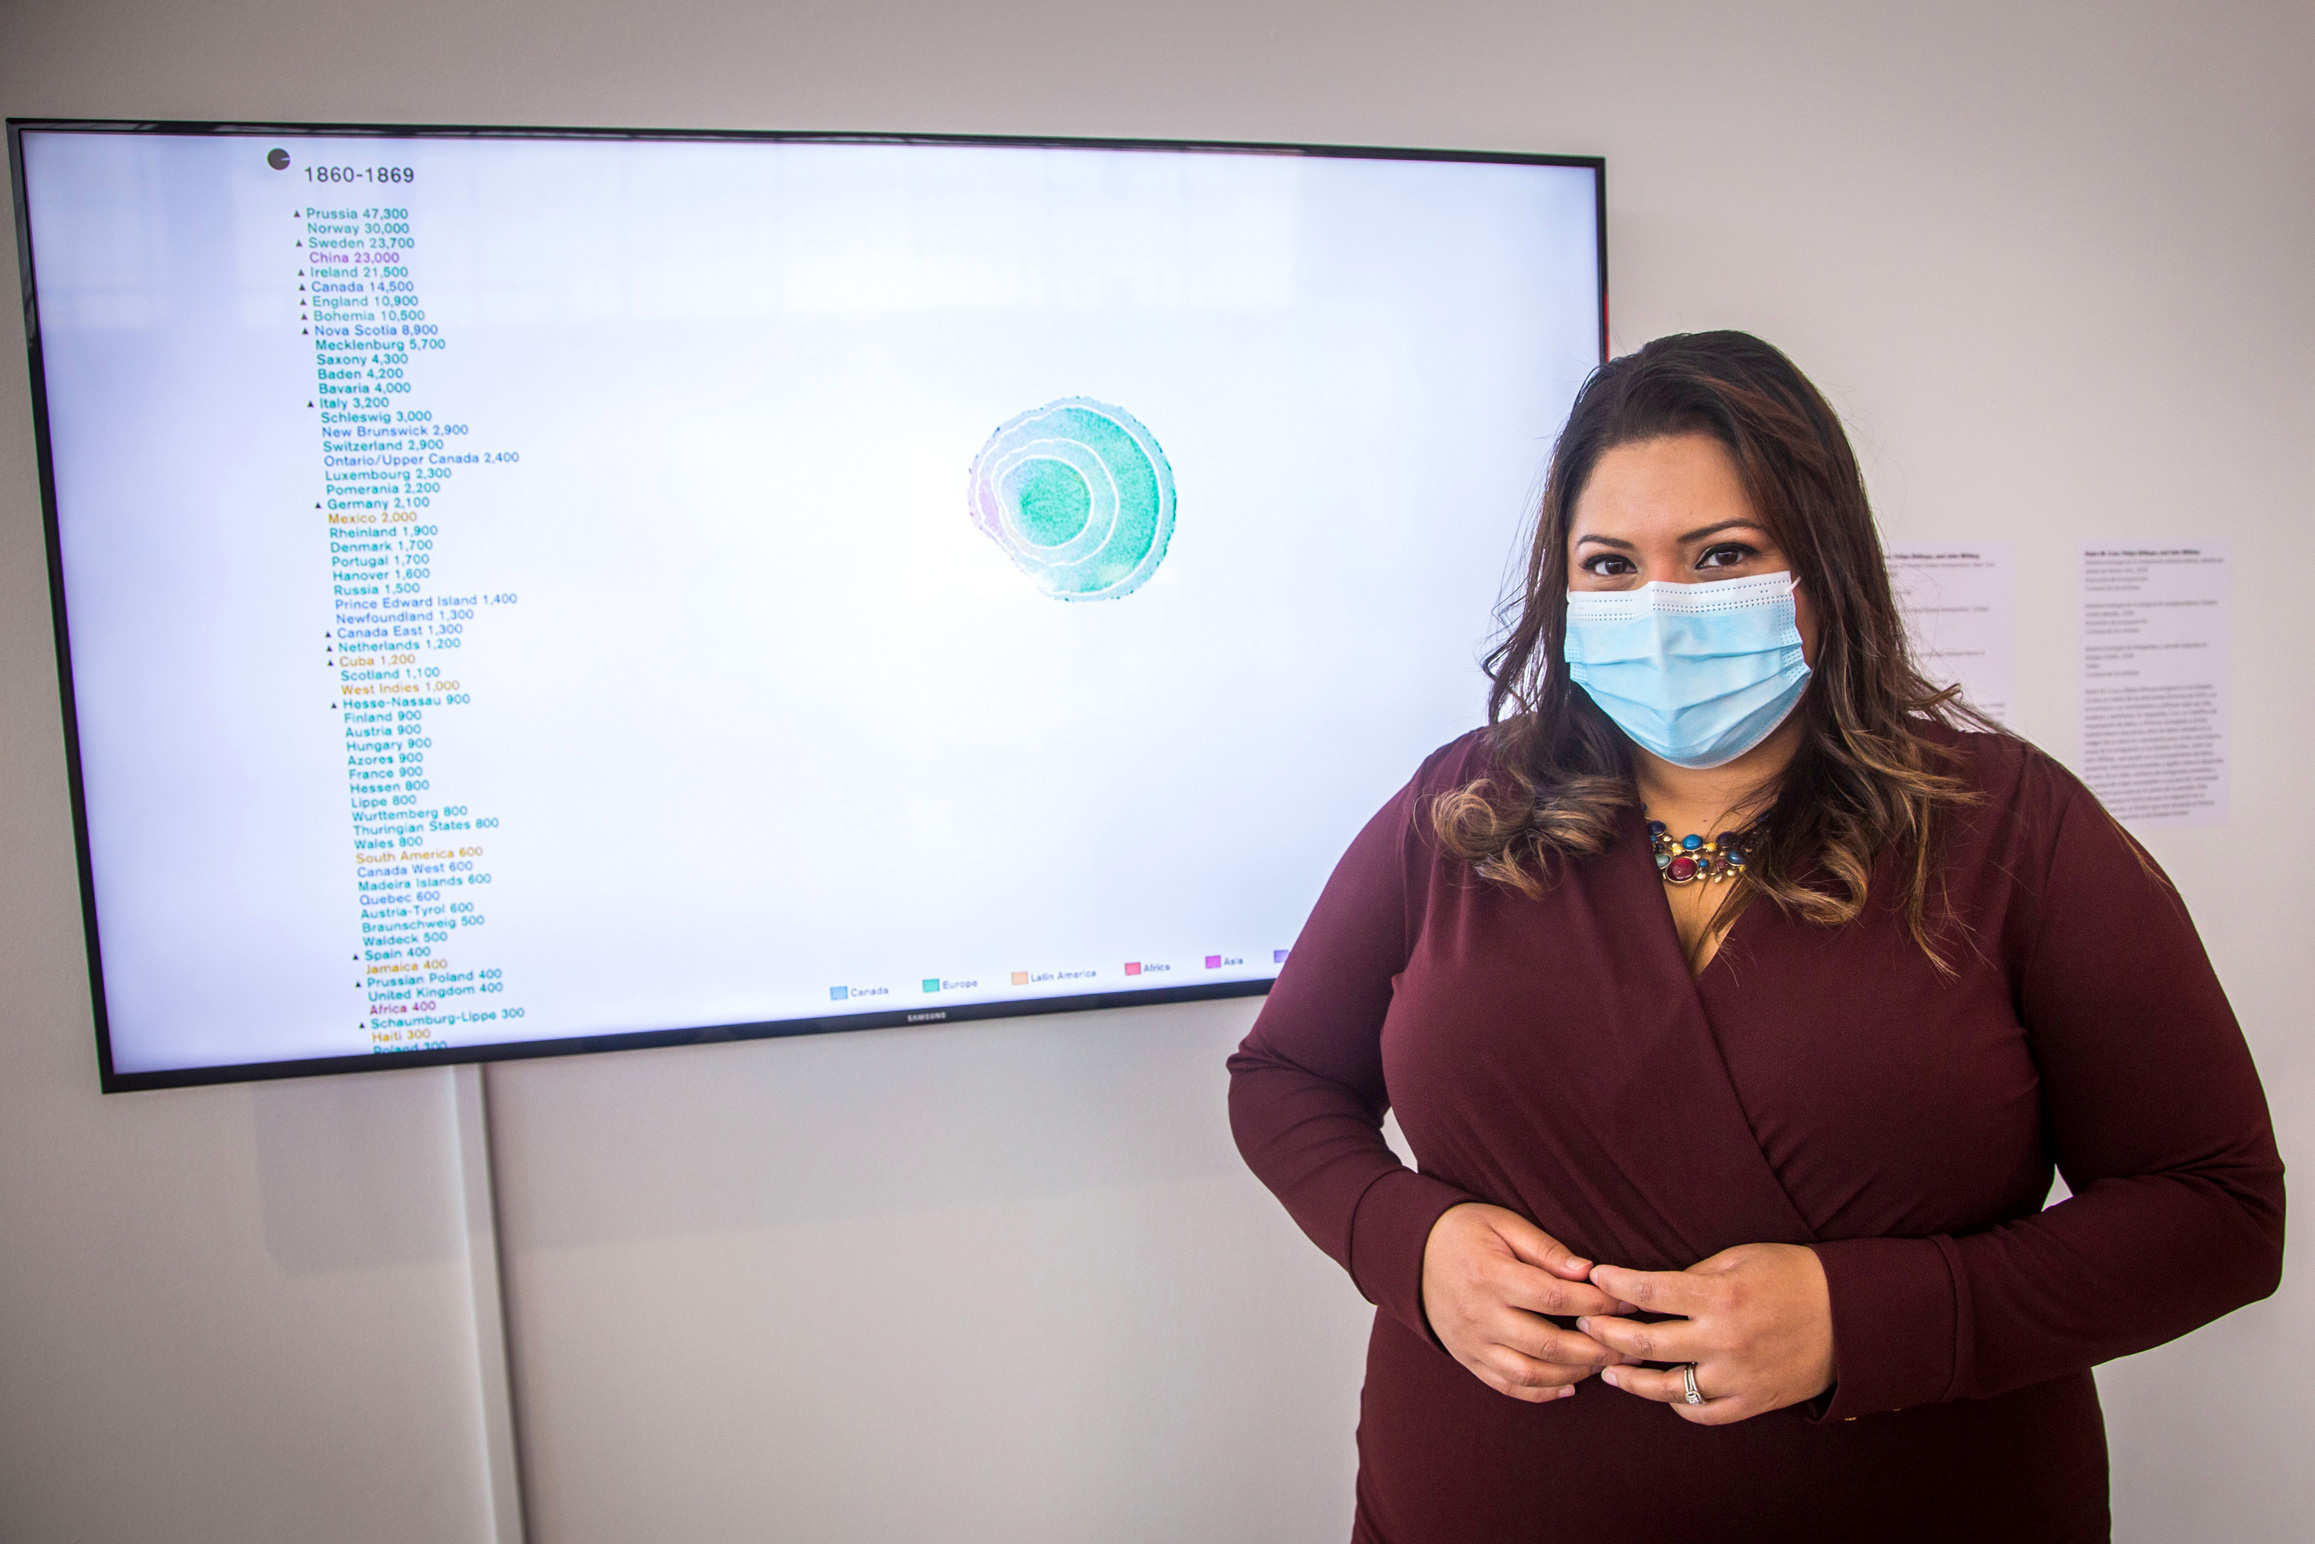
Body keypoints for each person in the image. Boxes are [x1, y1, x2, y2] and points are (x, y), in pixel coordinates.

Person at [1225, 331, 2283, 1542]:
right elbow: (1283, 1079)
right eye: (1610, 563)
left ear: (1821, 570)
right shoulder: (1462, 810)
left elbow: (2217, 1213)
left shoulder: (2004, 830)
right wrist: (1404, 1242)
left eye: (1721, 555)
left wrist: (1869, 1317)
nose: (1660, 607)